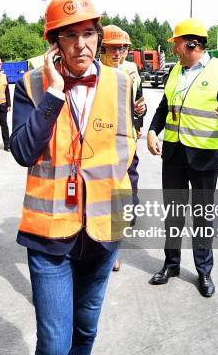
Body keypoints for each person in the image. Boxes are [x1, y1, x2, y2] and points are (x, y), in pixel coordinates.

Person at [10, 0, 138, 354]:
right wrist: (53, 93)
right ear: (54, 44)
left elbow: (127, 156)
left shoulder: (121, 83)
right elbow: (22, 151)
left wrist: (128, 208)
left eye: (89, 34)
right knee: (53, 344)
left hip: (103, 232)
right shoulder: (31, 86)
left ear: (99, 37)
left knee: (86, 330)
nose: (81, 45)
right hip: (50, 235)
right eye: (70, 35)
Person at [146, 18, 218, 297]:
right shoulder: (175, 70)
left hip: (204, 156)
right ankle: (171, 264)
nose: (173, 49)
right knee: (173, 214)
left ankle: (204, 271)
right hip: (173, 154)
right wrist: (152, 130)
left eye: (176, 43)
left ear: (192, 43)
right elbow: (164, 106)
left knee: (202, 217)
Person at [99, 25, 147, 272]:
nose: (118, 53)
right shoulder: (94, 74)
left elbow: (138, 103)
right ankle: (108, 253)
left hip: (128, 147)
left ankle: (114, 244)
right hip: (101, 148)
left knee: (127, 200)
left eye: (123, 48)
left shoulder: (131, 71)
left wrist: (141, 114)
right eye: (113, 48)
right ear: (102, 49)